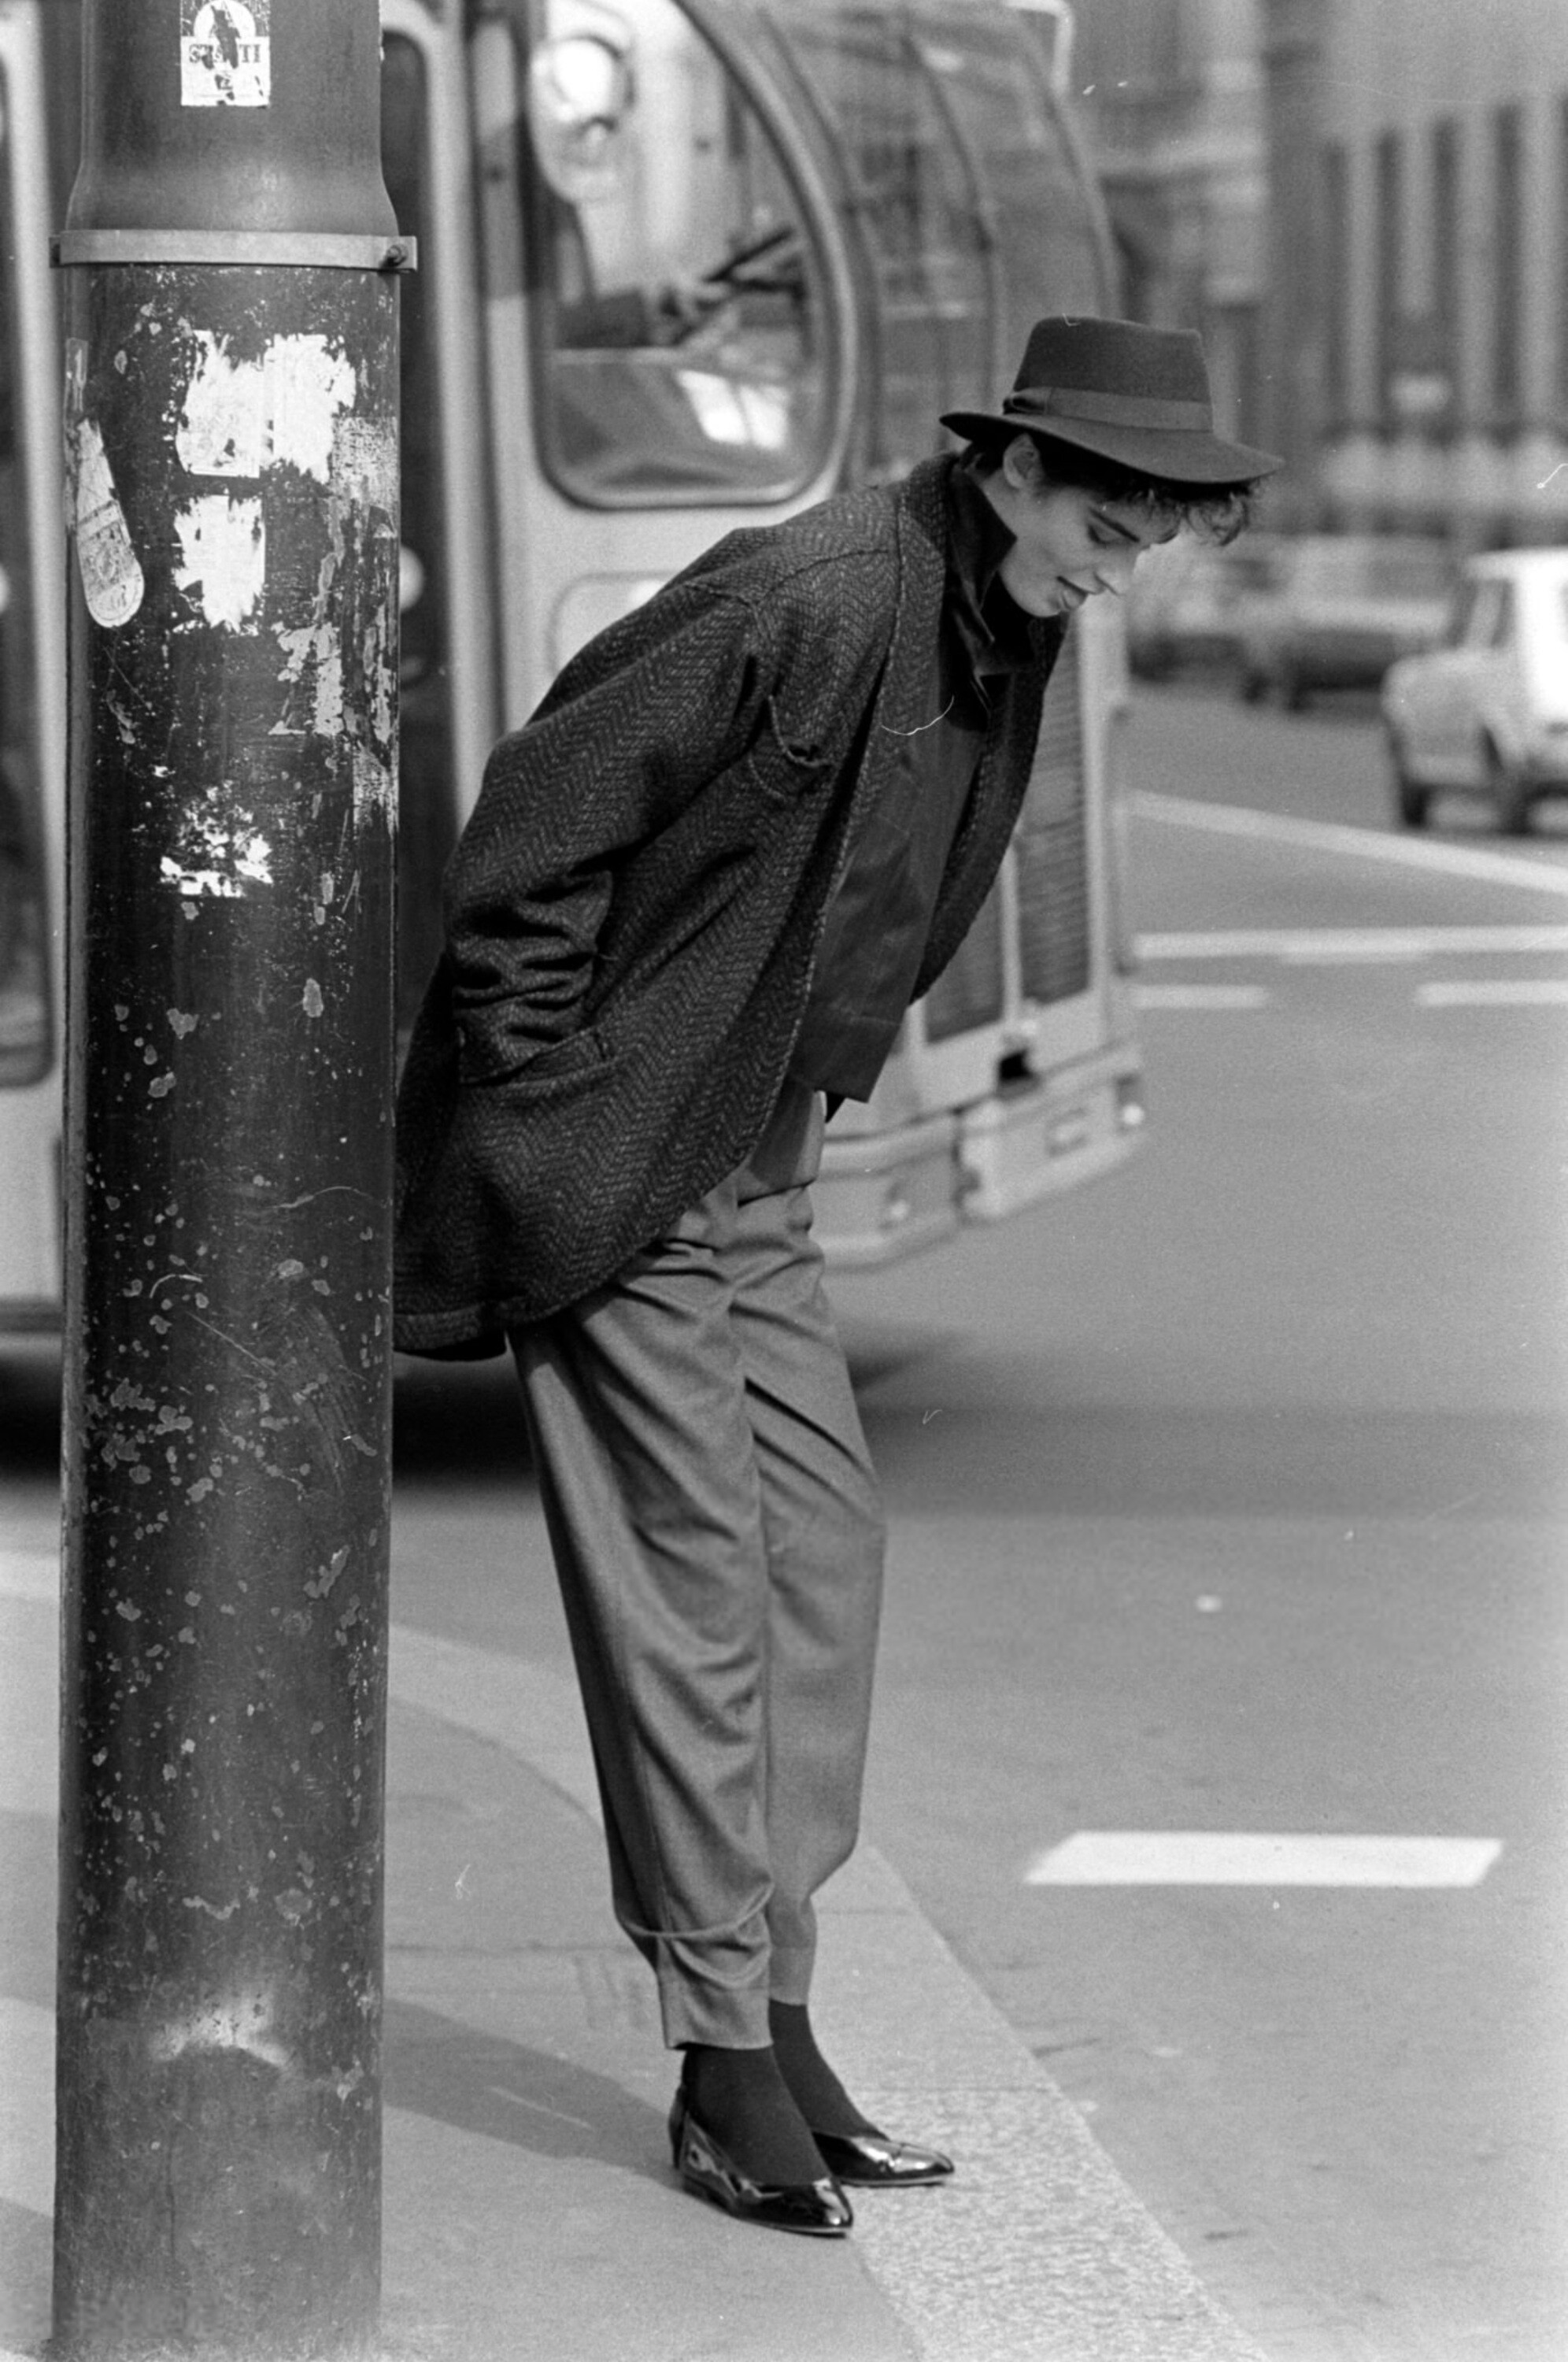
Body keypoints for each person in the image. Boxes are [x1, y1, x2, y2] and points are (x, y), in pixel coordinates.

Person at [394, 316, 1282, 2237]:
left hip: (764, 1159)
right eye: (1106, 530)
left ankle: (777, 2017)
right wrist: (558, 1101)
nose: (1120, 574)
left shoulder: (1004, 622)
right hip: (634, 1151)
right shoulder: (800, 594)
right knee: (698, 1586)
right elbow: (533, 827)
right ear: (1013, 469)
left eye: (1149, 545)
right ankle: (723, 2060)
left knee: (819, 1559)